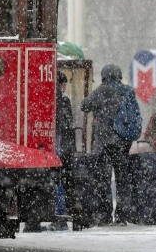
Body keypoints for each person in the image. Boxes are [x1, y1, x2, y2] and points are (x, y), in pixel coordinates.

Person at [80, 64, 136, 225]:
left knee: (103, 180)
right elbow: (134, 115)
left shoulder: (101, 91)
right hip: (122, 142)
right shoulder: (128, 91)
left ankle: (104, 215)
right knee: (123, 180)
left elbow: (84, 106)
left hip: (103, 142)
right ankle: (122, 216)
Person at [51, 70, 78, 231]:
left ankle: (36, 221)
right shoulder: (62, 101)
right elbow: (67, 124)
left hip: (48, 147)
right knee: (59, 181)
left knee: (54, 180)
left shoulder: (46, 99)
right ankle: (60, 216)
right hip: (59, 146)